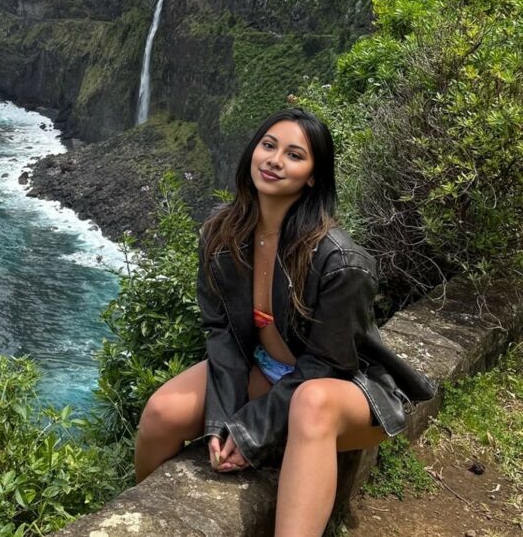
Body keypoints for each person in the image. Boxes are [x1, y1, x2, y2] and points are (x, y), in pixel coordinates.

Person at [134, 108, 436, 536]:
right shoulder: (222, 236)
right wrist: (223, 421)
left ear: (313, 176)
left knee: (310, 403)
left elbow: (328, 365)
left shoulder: (341, 261)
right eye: (269, 146)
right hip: (268, 370)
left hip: (343, 389)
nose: (275, 160)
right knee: (162, 412)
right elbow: (223, 334)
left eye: (295, 155)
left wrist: (252, 429)